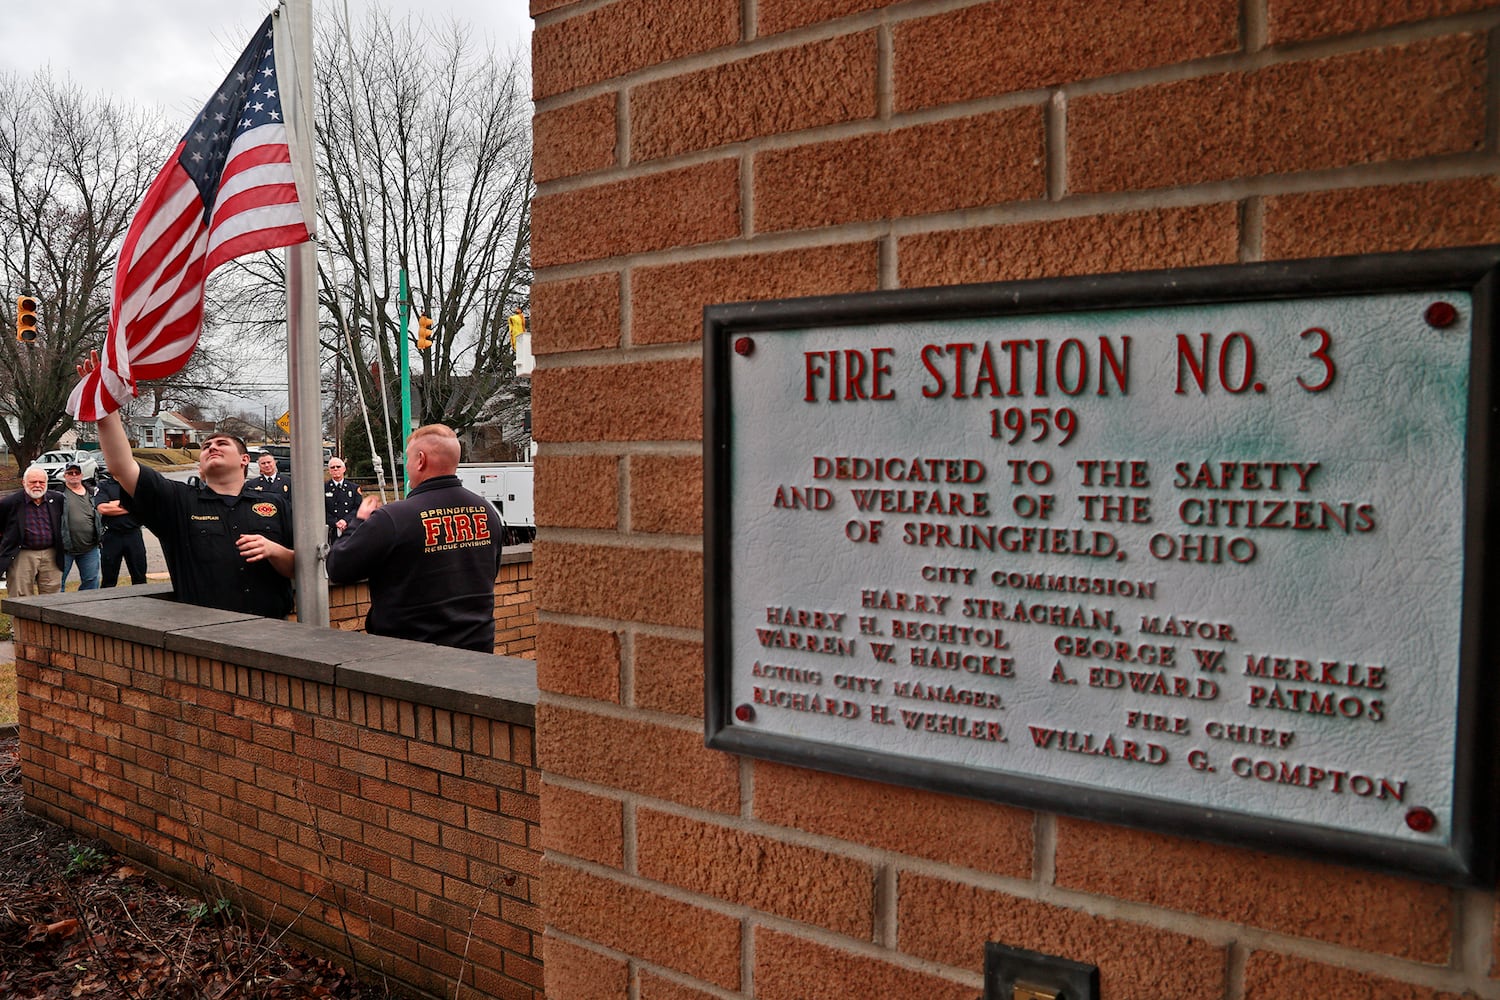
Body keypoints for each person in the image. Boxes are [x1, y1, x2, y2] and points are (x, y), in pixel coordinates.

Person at [80, 355, 295, 617]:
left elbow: (298, 568)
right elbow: (122, 467)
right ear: (200, 465)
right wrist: (106, 408)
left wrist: (274, 550)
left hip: (275, 632)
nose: (212, 447)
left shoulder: (275, 504)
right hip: (204, 638)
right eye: (206, 447)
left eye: (221, 444)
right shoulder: (178, 501)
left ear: (244, 459)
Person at [327, 424, 502, 652]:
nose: (407, 466)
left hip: (410, 657)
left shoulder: (394, 517)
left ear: (420, 460)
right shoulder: (487, 511)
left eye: (408, 459)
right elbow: (490, 570)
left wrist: (359, 521)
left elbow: (338, 567)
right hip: (477, 653)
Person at [0, 467, 66, 596]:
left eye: (41, 482)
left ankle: (49, 617)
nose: (37, 485)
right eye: (33, 482)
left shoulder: (57, 499)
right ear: (24, 483)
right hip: (22, 554)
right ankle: (23, 617)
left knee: (52, 595)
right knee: (21, 595)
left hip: (51, 554)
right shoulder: (9, 503)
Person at [94, 473, 149, 587]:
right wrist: (130, 506)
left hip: (133, 535)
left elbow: (143, 505)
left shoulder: (135, 484)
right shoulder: (103, 485)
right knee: (109, 579)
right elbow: (102, 508)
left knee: (140, 578)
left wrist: (114, 504)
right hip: (112, 536)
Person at [58, 463, 103, 590]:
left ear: (81, 475)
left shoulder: (92, 493)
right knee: (58, 582)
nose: (73, 475)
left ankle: (86, 608)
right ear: (64, 475)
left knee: (92, 581)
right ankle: (58, 607)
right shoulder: (58, 494)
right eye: (70, 473)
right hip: (65, 548)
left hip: (90, 547)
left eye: (76, 473)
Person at [324, 457, 361, 545]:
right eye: (332, 467)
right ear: (329, 471)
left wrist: (345, 521)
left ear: (344, 469)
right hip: (332, 530)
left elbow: (358, 508)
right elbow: (322, 510)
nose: (335, 469)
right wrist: (335, 522)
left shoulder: (353, 488)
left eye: (338, 466)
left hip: (350, 528)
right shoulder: (324, 488)